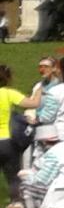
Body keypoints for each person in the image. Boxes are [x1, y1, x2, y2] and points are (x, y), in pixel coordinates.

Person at [0, 65, 25, 197]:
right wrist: (39, 91)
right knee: (13, 179)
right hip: (6, 141)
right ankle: (16, 205)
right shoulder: (9, 93)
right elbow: (32, 103)